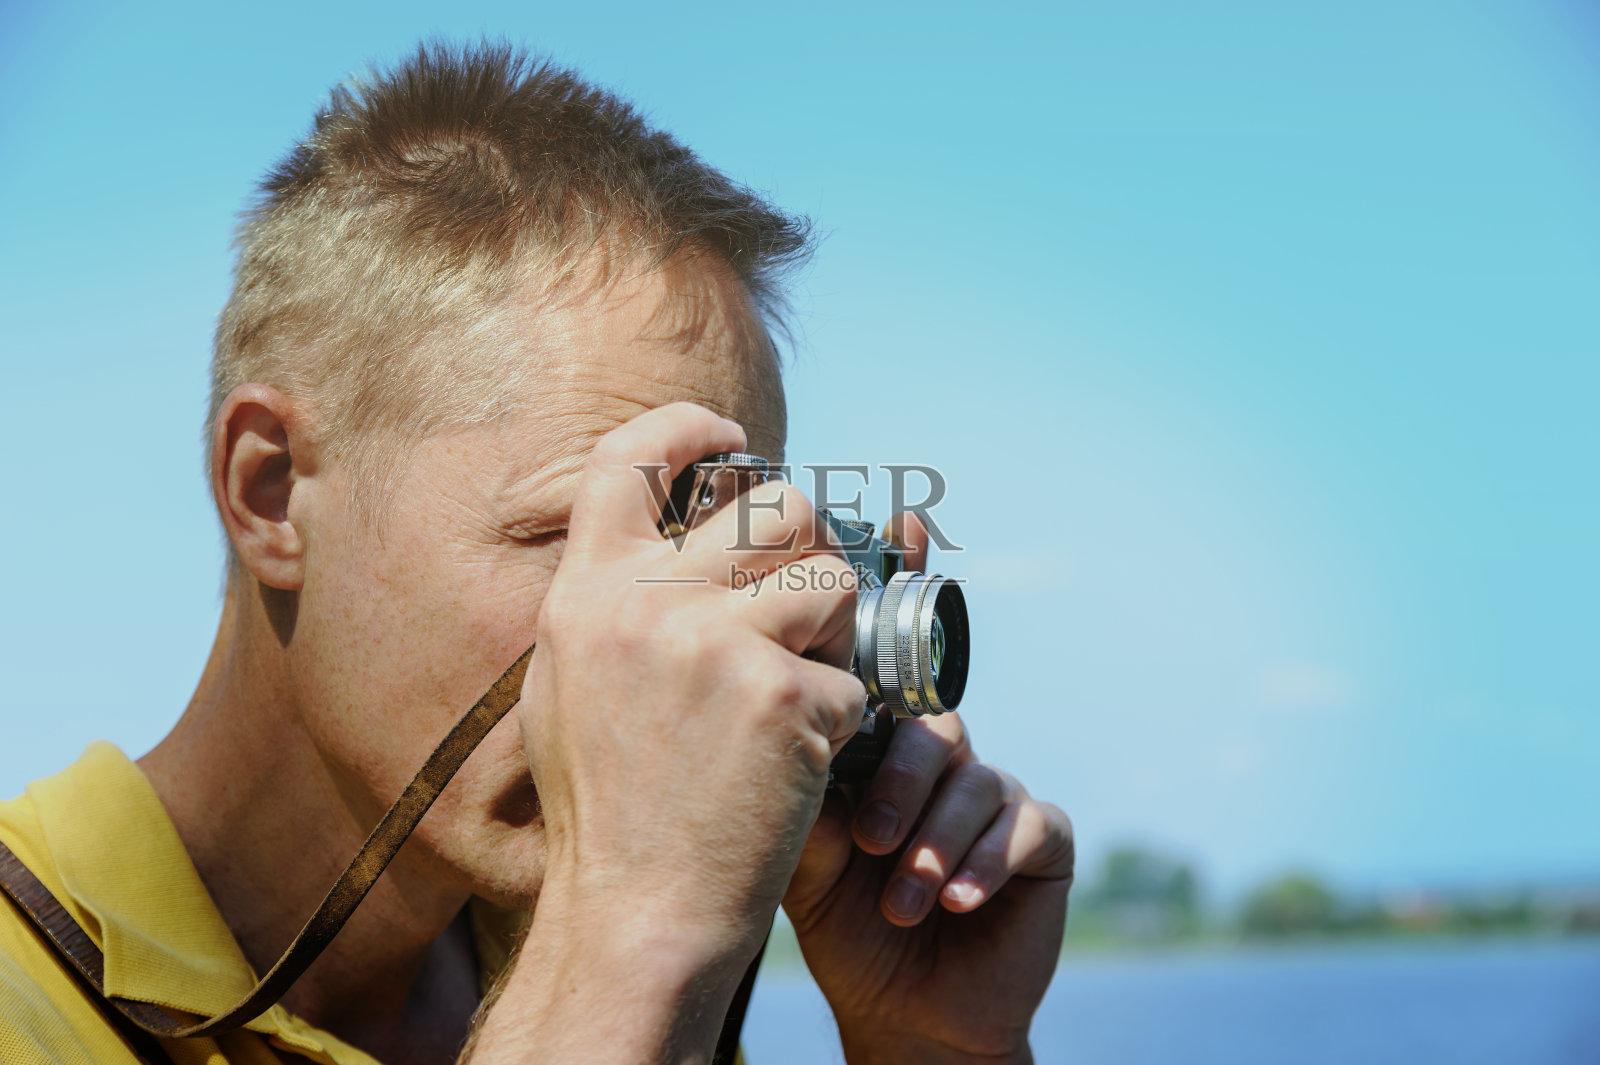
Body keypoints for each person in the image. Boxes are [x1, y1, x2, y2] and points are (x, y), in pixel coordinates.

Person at [0, 41, 1074, 1065]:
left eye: (723, 546)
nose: (679, 639)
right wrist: (631, 931)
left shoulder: (588, 966)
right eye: (573, 535)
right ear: (271, 491)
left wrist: (926, 1046)